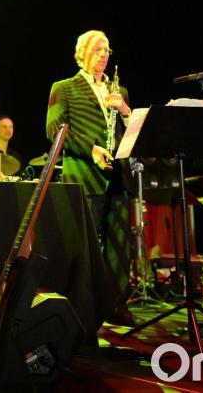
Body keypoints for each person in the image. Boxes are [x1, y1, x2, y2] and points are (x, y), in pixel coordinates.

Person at [45, 30, 134, 326]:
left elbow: (132, 131)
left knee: (120, 245)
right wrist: (91, 149)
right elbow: (54, 128)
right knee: (83, 243)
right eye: (98, 49)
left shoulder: (118, 91)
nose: (104, 54)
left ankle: (117, 303)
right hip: (84, 173)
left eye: (108, 49)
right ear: (81, 52)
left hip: (118, 176)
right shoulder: (64, 88)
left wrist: (124, 111)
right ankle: (80, 304)